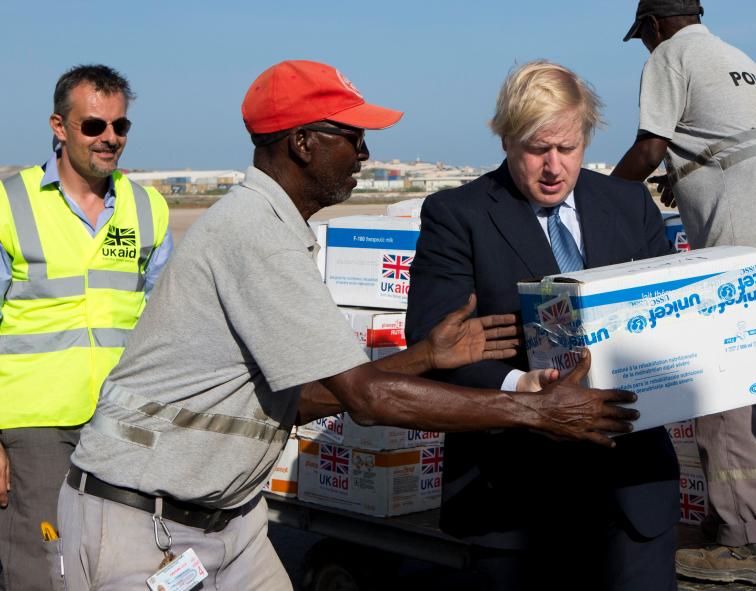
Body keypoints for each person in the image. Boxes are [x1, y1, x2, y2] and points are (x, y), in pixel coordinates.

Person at [55, 60, 637, 591]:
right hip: (145, 524)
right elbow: (365, 399)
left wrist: (424, 358)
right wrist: (538, 411)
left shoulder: (276, 227)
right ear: (304, 144)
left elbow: (302, 398)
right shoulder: (255, 235)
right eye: (353, 137)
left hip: (228, 521)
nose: (364, 154)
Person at [405, 60, 680, 591]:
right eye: (537, 149)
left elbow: (668, 311)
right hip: (516, 494)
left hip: (632, 490)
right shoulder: (455, 214)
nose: (554, 166)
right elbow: (430, 346)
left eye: (568, 148)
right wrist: (519, 389)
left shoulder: (628, 204)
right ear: (506, 139)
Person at [615, 0, 756, 586]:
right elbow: (726, 144)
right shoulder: (736, 57)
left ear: (654, 27)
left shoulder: (669, 55)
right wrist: (685, 179)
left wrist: (599, 195)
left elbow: (650, 144)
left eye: (644, 37)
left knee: (718, 390)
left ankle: (743, 545)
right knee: (751, 376)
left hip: (749, 230)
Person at [0, 65, 172, 591]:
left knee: (123, 562)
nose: (110, 139)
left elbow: (166, 324)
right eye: (94, 126)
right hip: (36, 423)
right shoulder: (10, 203)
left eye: (120, 126)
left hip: (122, 420)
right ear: (60, 126)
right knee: (42, 564)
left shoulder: (149, 208)